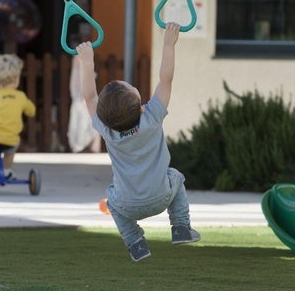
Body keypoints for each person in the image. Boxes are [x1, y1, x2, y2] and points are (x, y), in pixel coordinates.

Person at [75, 22, 199, 262]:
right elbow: (166, 80)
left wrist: (87, 62)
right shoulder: (152, 118)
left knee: (111, 200)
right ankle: (181, 226)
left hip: (127, 205)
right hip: (162, 196)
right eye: (131, 87)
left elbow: (89, 96)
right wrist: (168, 45)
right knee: (176, 176)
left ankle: (135, 241)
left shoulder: (107, 131)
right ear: (141, 108)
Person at [0, 54, 36, 178]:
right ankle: (7, 169)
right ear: (15, 78)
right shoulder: (20, 97)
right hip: (10, 140)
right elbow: (31, 111)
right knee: (12, 146)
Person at [67, 54, 101, 153]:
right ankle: (82, 145)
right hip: (81, 99)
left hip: (83, 99)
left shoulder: (81, 60)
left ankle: (90, 146)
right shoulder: (78, 59)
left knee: (90, 123)